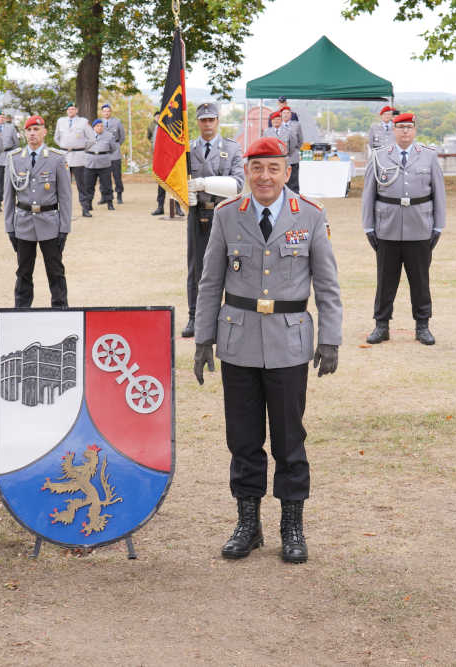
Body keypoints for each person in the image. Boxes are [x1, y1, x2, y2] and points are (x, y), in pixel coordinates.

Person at [193, 135, 342, 564]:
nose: (264, 176)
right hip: (237, 341)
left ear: (286, 172)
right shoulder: (226, 215)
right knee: (242, 439)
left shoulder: (310, 216)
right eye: (256, 168)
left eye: (273, 168)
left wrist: (329, 338)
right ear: (246, 172)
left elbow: (327, 285)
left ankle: (291, 525)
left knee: (289, 439)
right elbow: (209, 283)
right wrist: (205, 337)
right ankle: (248, 523)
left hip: (289, 343)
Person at [362, 112, 446, 346]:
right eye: (401, 128)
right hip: (387, 227)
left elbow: (439, 192)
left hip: (420, 227)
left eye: (409, 127)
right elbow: (369, 193)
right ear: (393, 131)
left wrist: (438, 226)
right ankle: (381, 324)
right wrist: (368, 226)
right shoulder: (380, 157)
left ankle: (422, 325)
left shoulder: (428, 157)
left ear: (415, 130)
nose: (405, 132)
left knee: (420, 280)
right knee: (385, 280)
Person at [181, 102, 245, 338]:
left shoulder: (232, 148)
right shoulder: (187, 149)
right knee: (196, 268)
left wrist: (204, 184)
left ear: (218, 121)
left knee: (228, 267)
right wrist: (183, 195)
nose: (207, 124)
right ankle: (194, 317)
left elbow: (238, 184)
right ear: (197, 122)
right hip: (198, 214)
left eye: (211, 119)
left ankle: (225, 318)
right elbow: (177, 181)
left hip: (224, 214)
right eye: (203, 120)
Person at [4, 115, 71, 308]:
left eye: (36, 129)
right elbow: (8, 197)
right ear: (25, 134)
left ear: (44, 132)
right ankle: (21, 310)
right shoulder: (14, 158)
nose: (32, 134)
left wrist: (64, 228)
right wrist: (10, 227)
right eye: (29, 130)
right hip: (23, 223)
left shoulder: (57, 159)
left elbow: (65, 197)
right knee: (23, 271)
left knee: (55, 271)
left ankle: (60, 309)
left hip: (50, 223)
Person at [54, 102, 94, 213]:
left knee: (81, 184)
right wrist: (64, 146)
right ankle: (61, 209)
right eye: (69, 109)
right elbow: (56, 138)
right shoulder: (61, 121)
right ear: (67, 111)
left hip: (78, 157)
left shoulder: (83, 122)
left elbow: (92, 139)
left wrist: (82, 148)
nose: (71, 111)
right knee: (62, 184)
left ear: (76, 110)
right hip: (65, 156)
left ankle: (85, 208)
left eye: (73, 109)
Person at [83, 118, 117, 214]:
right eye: (97, 126)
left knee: (107, 184)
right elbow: (84, 148)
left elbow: (113, 148)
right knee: (88, 185)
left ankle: (109, 202)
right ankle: (88, 203)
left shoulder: (109, 136)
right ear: (93, 127)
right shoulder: (87, 136)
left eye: (101, 126)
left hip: (104, 163)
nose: (100, 128)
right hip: (90, 163)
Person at [98, 103, 126, 204]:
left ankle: (119, 195)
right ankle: (104, 196)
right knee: (103, 177)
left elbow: (122, 136)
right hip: (103, 153)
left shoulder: (117, 122)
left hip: (114, 154)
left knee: (117, 176)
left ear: (111, 112)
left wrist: (116, 146)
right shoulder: (98, 122)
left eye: (108, 111)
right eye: (104, 111)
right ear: (102, 112)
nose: (106, 113)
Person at [0, 110, 20, 212]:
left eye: (3, 117)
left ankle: (11, 202)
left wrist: (13, 155)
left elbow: (16, 143)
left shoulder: (11, 128)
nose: (1, 119)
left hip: (9, 156)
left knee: (11, 180)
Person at [281, 106, 303, 192]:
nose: (286, 115)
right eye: (284, 113)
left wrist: (294, 150)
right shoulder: (277, 126)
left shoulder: (296, 125)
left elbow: (300, 140)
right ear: (281, 115)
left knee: (294, 181)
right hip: (281, 158)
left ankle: (295, 200)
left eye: (288, 113)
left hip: (293, 157)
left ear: (291, 114)